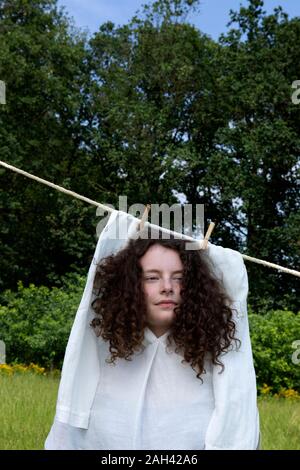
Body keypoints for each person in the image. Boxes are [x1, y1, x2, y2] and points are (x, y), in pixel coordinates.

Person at [45, 210, 260, 450]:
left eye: (178, 278)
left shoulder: (216, 367)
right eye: (152, 278)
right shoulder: (101, 359)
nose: (167, 287)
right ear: (130, 286)